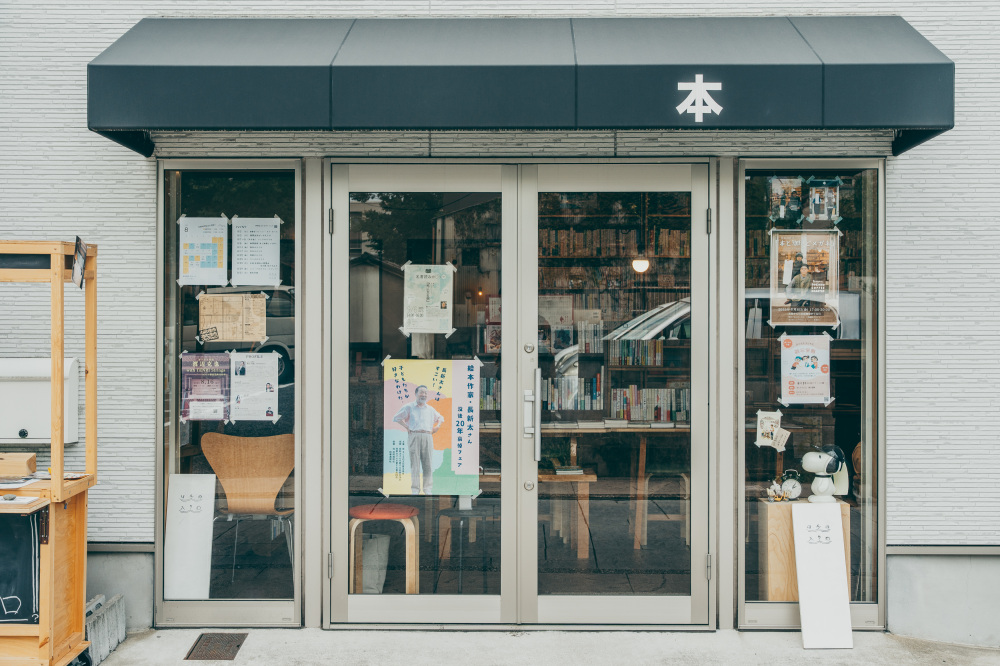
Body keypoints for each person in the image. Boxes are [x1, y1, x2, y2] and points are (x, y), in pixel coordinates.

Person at [392, 385, 445, 495]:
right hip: (414, 435)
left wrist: (437, 427)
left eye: (425, 393)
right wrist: (407, 427)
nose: (424, 395)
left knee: (428, 464)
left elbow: (441, 418)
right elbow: (396, 418)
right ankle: (415, 489)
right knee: (415, 463)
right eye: (421, 392)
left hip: (427, 436)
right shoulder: (409, 407)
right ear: (416, 394)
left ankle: (427, 488)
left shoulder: (430, 409)